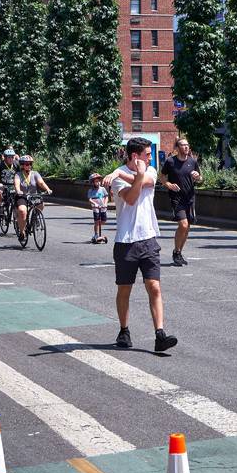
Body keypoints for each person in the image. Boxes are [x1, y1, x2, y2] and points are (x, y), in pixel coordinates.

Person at [103, 137, 177, 352]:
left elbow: (147, 182)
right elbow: (132, 198)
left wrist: (122, 173)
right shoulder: (116, 179)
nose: (150, 157)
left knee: (154, 286)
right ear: (135, 156)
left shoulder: (149, 171)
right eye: (147, 154)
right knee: (124, 289)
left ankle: (159, 334)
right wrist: (121, 174)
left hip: (148, 238)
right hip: (125, 241)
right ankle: (124, 330)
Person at [159, 138, 202, 266]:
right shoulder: (170, 161)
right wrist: (169, 185)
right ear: (177, 148)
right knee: (183, 225)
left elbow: (200, 178)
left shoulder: (192, 161)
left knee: (187, 227)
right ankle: (176, 252)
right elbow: (162, 177)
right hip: (177, 198)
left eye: (187, 145)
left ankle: (178, 252)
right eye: (183, 145)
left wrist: (197, 177)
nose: (186, 147)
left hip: (190, 198)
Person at [13, 155, 52, 240]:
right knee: (22, 211)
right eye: (27, 164)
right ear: (22, 165)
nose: (29, 166)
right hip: (22, 196)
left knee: (41, 205)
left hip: (33, 196)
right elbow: (16, 184)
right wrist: (18, 190)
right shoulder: (18, 175)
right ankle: (22, 232)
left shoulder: (35, 173)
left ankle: (35, 218)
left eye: (30, 164)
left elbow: (41, 183)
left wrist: (47, 189)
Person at [0, 148, 19, 214]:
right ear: (5, 158)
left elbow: (21, 174)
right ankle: (0, 205)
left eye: (12, 157)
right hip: (2, 185)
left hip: (13, 186)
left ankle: (16, 218)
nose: (11, 159)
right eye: (9, 157)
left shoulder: (16, 164)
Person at [88, 172, 109, 244]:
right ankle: (96, 234)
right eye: (96, 181)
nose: (98, 183)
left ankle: (98, 227)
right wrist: (95, 204)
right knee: (96, 221)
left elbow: (106, 196)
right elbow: (90, 199)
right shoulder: (91, 191)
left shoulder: (103, 189)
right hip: (96, 208)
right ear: (93, 183)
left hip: (103, 207)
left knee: (103, 221)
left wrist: (105, 203)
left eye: (99, 181)